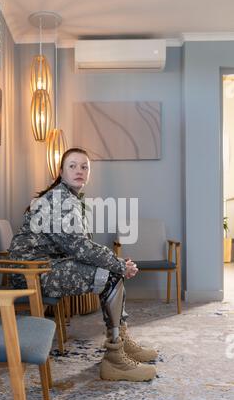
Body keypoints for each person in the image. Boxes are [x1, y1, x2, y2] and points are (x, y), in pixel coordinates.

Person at [9, 148, 157, 381]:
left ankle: (122, 341)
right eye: (72, 166)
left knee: (110, 271)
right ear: (61, 172)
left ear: (89, 173)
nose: (79, 170)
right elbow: (80, 247)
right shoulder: (59, 200)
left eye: (84, 166)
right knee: (110, 275)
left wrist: (115, 264)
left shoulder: (67, 198)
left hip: (46, 267)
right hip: (32, 273)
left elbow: (81, 246)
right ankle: (115, 358)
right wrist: (119, 264)